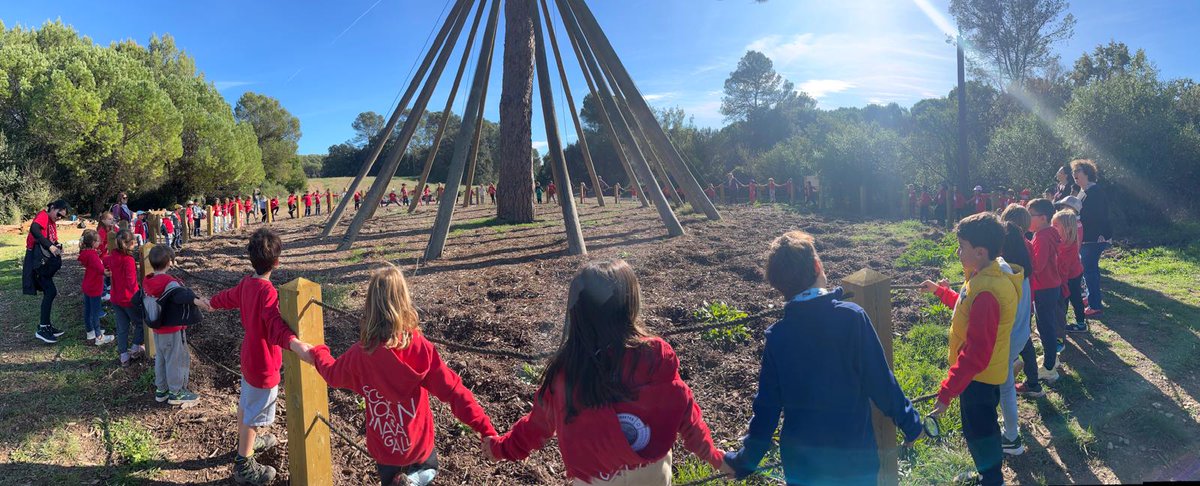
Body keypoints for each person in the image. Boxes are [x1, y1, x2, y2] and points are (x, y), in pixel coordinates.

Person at [484, 260, 727, 484]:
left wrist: (500, 448)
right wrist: (715, 457)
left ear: (576, 312)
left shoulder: (567, 370)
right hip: (651, 472)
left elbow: (536, 426)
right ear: (630, 303)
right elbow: (686, 410)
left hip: (595, 478)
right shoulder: (654, 355)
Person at [724, 231, 923, 483]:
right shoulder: (851, 318)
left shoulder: (778, 337)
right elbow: (881, 382)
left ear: (778, 285)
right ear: (818, 266)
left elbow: (766, 410)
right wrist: (910, 423)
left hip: (803, 466)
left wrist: (743, 461)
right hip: (853, 460)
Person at [292, 264, 497, 486]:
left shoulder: (360, 354)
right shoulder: (420, 348)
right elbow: (455, 392)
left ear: (370, 305)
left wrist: (318, 352)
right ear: (404, 302)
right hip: (418, 447)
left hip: (385, 450)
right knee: (429, 470)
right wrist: (485, 429)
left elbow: (332, 374)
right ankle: (414, 481)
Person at [199, 228, 310, 485]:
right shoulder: (267, 291)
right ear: (277, 262)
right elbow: (274, 324)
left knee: (246, 404)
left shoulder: (247, 284)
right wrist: (294, 343)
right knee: (253, 415)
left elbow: (228, 297)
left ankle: (247, 442)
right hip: (264, 363)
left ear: (251, 258)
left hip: (249, 356)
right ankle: (244, 465)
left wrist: (211, 302)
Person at [920, 213, 1020, 486]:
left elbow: (975, 354)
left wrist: (947, 392)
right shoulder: (985, 276)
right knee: (983, 428)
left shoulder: (987, 292)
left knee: (980, 432)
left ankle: (991, 479)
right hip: (984, 374)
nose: (958, 252)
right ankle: (988, 473)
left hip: (978, 378)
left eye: (961, 247)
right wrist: (941, 292)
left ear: (980, 251)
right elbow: (966, 307)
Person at [144, 245, 203, 406]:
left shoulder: (148, 280)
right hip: (171, 329)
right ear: (170, 262)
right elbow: (182, 296)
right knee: (174, 360)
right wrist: (201, 302)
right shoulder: (170, 283)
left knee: (161, 358)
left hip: (157, 329)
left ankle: (161, 390)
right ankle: (176, 392)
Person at [1018, 198, 1063, 397]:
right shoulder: (1048, 233)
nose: (1028, 219)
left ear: (1043, 218)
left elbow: (1039, 265)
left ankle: (1049, 368)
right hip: (1051, 285)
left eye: (1031, 215)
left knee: (1046, 327)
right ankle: (1052, 358)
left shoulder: (1042, 237)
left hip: (1045, 288)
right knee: (1047, 325)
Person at [994, 221, 1032, 456]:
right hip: (1019, 335)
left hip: (1006, 341)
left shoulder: (1005, 273)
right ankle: (1010, 430)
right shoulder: (1021, 272)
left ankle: (1011, 437)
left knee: (1005, 388)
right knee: (1005, 384)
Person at [24, 200, 70, 344]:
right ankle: (43, 329)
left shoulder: (52, 222)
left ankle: (46, 326)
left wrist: (57, 246)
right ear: (53, 208)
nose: (59, 218)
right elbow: (34, 229)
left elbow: (51, 239)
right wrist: (50, 246)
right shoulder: (43, 215)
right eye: (59, 214)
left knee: (50, 292)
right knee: (50, 291)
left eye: (62, 217)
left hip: (43, 261)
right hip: (36, 260)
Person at [1071, 159, 1111, 318]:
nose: (1074, 174)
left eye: (1077, 170)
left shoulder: (1095, 192)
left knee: (1090, 271)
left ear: (1087, 173)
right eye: (1073, 171)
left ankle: (1095, 305)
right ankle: (1091, 298)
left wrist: (1076, 217)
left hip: (1093, 238)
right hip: (1086, 237)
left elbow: (1098, 216)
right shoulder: (1083, 191)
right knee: (1089, 270)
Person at [106, 230, 147, 366]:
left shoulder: (112, 256)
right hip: (129, 299)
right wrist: (139, 296)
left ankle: (123, 356)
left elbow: (105, 261)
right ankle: (135, 348)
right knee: (141, 322)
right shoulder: (128, 260)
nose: (135, 245)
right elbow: (131, 282)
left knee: (122, 328)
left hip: (115, 297)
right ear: (130, 244)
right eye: (134, 243)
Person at [1053, 203, 1087, 334]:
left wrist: (1061, 283)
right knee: (1073, 298)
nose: (1053, 228)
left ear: (1067, 229)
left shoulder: (1068, 247)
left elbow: (1064, 269)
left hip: (1071, 276)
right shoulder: (1064, 241)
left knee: (1070, 298)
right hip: (1074, 273)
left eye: (1056, 226)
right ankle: (1070, 322)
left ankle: (1077, 324)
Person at [79, 230, 115, 346]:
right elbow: (101, 270)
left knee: (88, 310)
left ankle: (90, 332)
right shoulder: (92, 255)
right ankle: (99, 336)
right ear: (93, 242)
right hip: (94, 286)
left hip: (88, 284)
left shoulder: (86, 253)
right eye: (98, 241)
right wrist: (110, 272)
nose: (100, 242)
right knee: (95, 312)